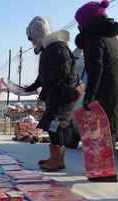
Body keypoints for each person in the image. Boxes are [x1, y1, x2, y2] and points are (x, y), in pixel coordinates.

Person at [23, 16, 80, 172]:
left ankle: (58, 161)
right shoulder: (48, 49)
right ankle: (55, 158)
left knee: (56, 126)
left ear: (39, 36)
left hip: (63, 96)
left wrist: (48, 89)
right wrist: (31, 87)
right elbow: (43, 76)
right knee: (52, 126)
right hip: (56, 95)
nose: (32, 43)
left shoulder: (58, 49)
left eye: (32, 39)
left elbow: (62, 75)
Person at [75, 0, 118, 140]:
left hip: (104, 96)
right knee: (108, 138)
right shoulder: (110, 37)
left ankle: (103, 163)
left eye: (79, 23)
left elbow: (95, 72)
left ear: (87, 23)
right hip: (115, 93)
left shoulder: (94, 40)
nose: (78, 27)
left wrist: (89, 99)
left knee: (101, 142)